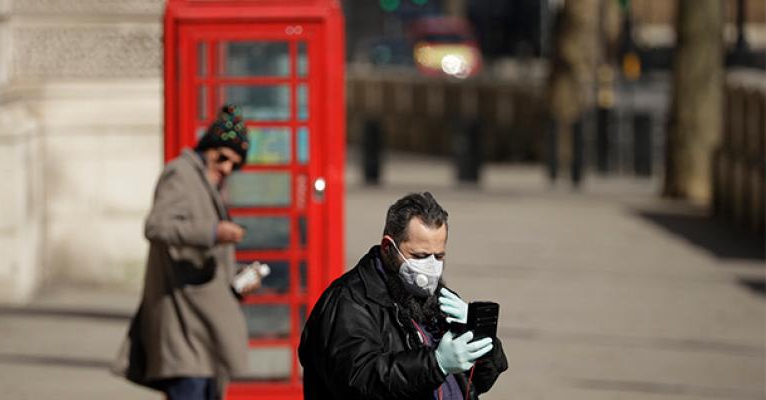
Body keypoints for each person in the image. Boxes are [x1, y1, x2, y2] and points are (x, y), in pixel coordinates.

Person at [299, 192, 508, 400]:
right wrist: (436, 364)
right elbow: (358, 381)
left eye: (439, 255)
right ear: (388, 247)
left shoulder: (439, 297)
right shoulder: (349, 302)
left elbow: (480, 381)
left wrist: (479, 336)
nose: (431, 266)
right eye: (420, 256)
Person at [123, 104, 255, 400]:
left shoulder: (209, 183)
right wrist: (212, 232)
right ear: (208, 147)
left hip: (204, 330)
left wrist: (236, 282)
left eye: (234, 165)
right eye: (222, 158)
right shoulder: (180, 174)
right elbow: (156, 226)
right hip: (183, 326)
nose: (226, 168)